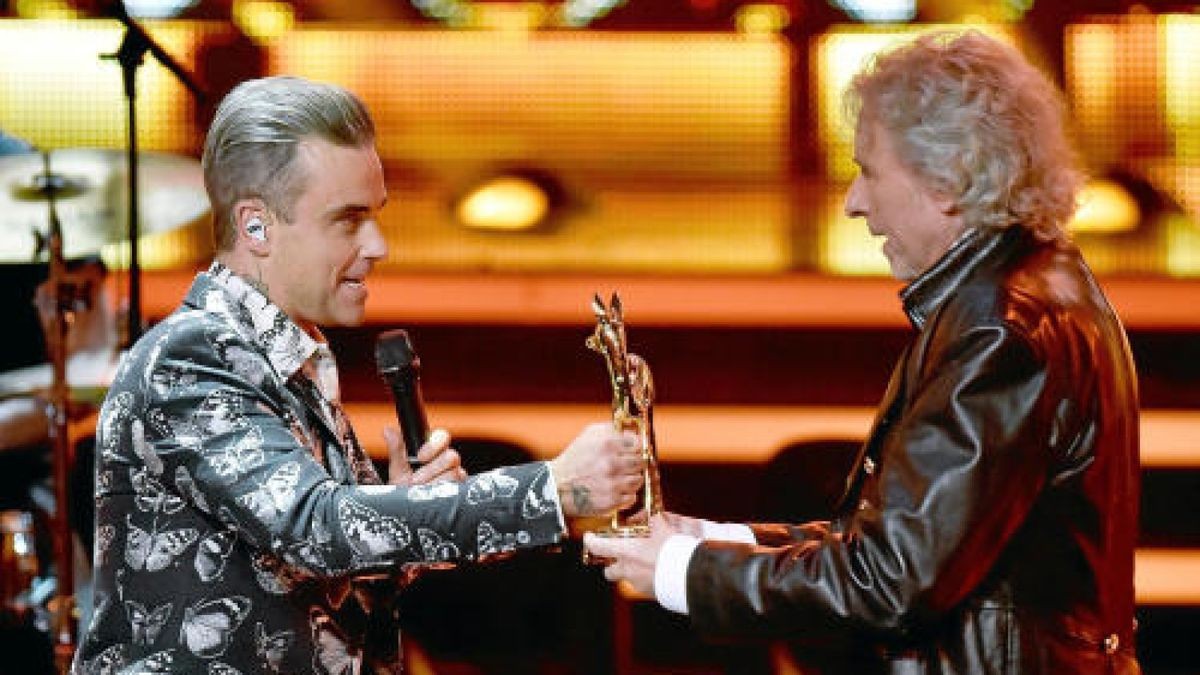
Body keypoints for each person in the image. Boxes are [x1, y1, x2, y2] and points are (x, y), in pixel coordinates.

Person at [585, 30, 1142, 674]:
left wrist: (686, 573)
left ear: (949, 181)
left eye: (870, 171)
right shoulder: (1026, 291)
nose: (855, 203)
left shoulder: (1000, 329)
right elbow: (906, 546)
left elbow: (893, 579)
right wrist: (719, 544)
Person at [72, 75, 645, 674]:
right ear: (255, 227)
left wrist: (401, 505)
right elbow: (317, 528)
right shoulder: (190, 359)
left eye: (375, 216)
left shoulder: (291, 362)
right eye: (348, 221)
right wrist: (553, 489)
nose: (378, 245)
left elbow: (328, 573)